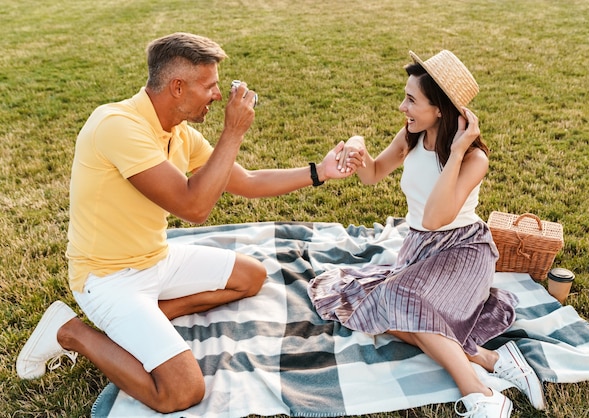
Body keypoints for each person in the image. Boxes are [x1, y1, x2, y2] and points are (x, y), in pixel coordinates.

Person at [16, 32, 361, 414]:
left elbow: (244, 181)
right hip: (107, 278)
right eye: (210, 86)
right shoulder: (116, 125)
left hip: (156, 259)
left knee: (252, 276)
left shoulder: (178, 132)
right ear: (177, 87)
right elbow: (193, 208)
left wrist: (319, 172)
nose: (217, 95)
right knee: (181, 392)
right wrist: (233, 131)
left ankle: (158, 313)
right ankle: (72, 331)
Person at [307, 50, 545, 418]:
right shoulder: (411, 135)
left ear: (439, 109)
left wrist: (458, 150)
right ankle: (487, 357)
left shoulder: (473, 159)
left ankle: (481, 395)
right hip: (419, 249)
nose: (402, 107)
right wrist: (357, 146)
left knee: (397, 298)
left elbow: (435, 217)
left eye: (411, 100)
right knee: (386, 306)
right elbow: (372, 174)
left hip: (464, 251)